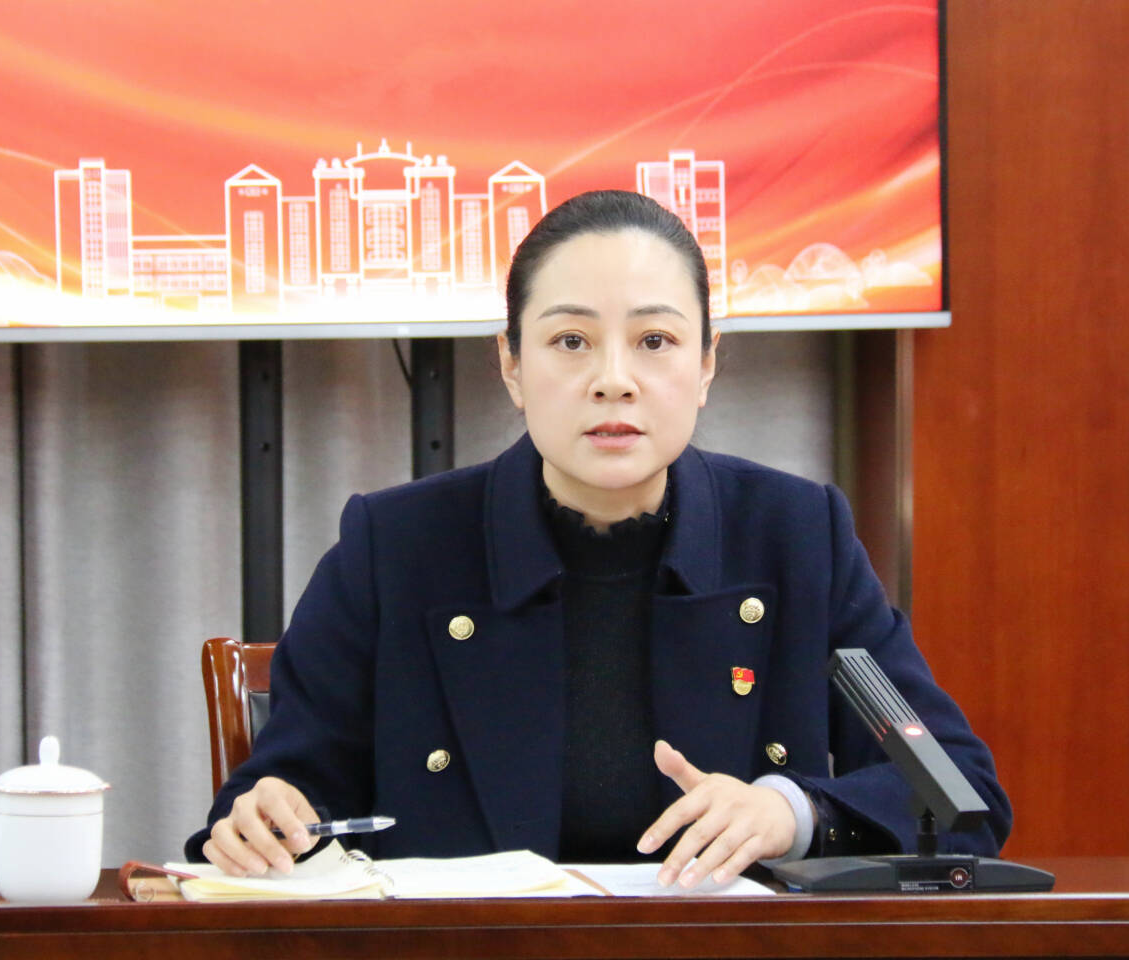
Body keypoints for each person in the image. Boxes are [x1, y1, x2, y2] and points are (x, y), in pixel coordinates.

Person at [186, 190, 1010, 887]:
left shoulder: (795, 536)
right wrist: (265, 818)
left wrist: (787, 811)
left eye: (655, 341)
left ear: (707, 364)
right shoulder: (395, 546)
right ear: (511, 363)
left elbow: (958, 793)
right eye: (570, 341)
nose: (613, 379)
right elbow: (279, 797)